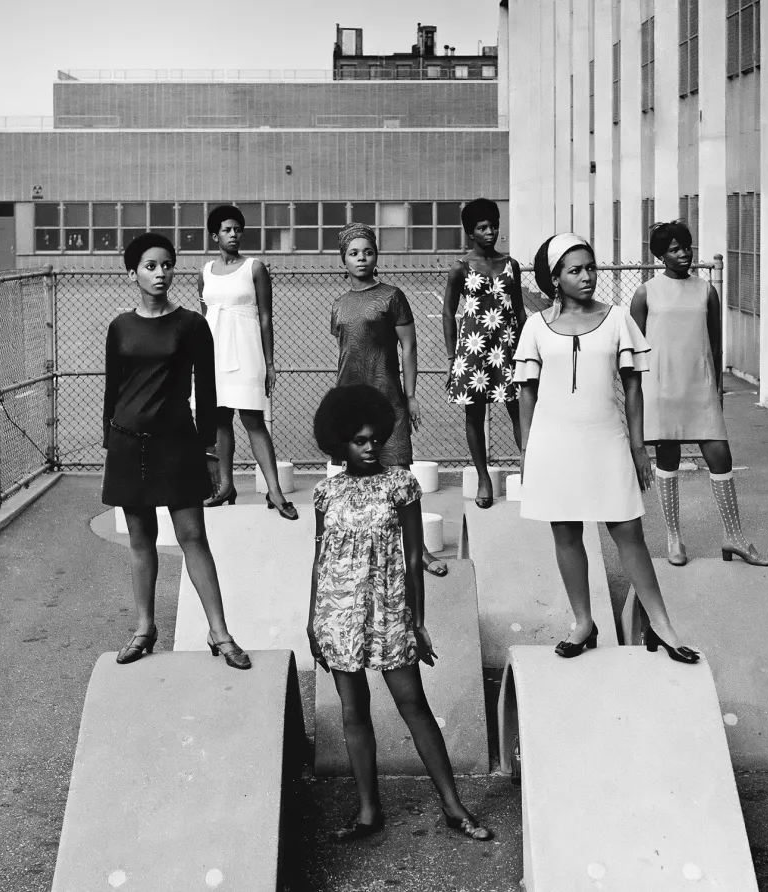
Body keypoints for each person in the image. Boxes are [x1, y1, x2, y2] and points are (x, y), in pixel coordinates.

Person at [308, 384, 493, 843]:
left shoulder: (401, 484)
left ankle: (454, 807)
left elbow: (414, 559)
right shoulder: (325, 492)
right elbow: (320, 556)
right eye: (359, 441)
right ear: (340, 442)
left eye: (375, 439)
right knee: (354, 711)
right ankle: (369, 812)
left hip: (390, 608)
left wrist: (418, 620)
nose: (370, 448)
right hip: (337, 612)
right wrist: (312, 618)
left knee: (413, 705)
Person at [515, 233, 698, 663]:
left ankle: (661, 623)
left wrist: (638, 448)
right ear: (555, 278)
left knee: (627, 531)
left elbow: (634, 387)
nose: (587, 276)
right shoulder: (536, 326)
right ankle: (583, 622)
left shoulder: (617, 319)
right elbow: (527, 393)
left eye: (590, 267)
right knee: (565, 531)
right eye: (575, 270)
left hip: (607, 438)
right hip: (552, 442)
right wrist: (527, 453)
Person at [101, 232, 251, 670]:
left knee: (192, 538)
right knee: (141, 540)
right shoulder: (120, 327)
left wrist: (208, 452)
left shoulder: (191, 324)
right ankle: (145, 629)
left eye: (167, 264)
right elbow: (113, 391)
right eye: (150, 266)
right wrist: (112, 446)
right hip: (129, 446)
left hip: (178, 446)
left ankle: (219, 633)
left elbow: (207, 392)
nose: (160, 273)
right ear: (133, 273)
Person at [630, 220, 768, 567]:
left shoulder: (706, 290)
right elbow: (633, 348)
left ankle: (734, 536)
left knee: (720, 455)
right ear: (660, 254)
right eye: (675, 249)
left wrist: (719, 387)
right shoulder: (646, 292)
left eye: (686, 247)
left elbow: (716, 344)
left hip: (700, 386)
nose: (683, 254)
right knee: (668, 458)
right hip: (661, 388)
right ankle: (674, 538)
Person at [330, 222, 447, 576]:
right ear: (343, 261)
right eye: (353, 253)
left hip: (388, 399)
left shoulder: (392, 296)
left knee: (399, 478)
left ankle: (419, 551)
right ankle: (366, 554)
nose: (361, 258)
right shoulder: (338, 305)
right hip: (351, 403)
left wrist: (410, 396)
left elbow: (408, 348)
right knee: (357, 480)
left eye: (367, 251)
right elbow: (345, 354)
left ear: (377, 255)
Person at [196, 205, 298, 520]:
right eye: (227, 230)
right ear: (215, 235)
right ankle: (226, 486)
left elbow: (265, 318)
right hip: (214, 357)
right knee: (221, 421)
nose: (234, 235)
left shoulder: (255, 267)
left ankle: (275, 491)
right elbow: (204, 318)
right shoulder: (204, 272)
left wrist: (270, 363)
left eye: (238, 229)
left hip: (247, 352)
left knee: (253, 421)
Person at [442, 198, 526, 508]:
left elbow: (518, 309)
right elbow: (448, 313)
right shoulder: (460, 268)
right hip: (473, 350)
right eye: (482, 228)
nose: (490, 232)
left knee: (518, 409)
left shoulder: (510, 264)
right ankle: (483, 478)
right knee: (474, 415)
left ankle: (528, 471)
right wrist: (452, 359)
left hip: (508, 348)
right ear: (470, 232)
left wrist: (526, 348)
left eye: (493, 226)